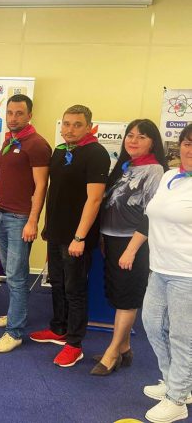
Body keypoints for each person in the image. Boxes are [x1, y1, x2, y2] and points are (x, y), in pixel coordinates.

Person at [30, 105, 110, 367]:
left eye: (77, 124)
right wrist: (48, 227)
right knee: (57, 282)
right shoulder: (60, 150)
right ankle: (59, 328)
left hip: (77, 237)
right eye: (66, 124)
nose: (70, 129)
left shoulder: (96, 153)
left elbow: (94, 199)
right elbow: (55, 192)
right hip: (56, 232)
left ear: (89, 126)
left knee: (75, 289)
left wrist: (79, 237)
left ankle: (74, 344)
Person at [90, 119, 167, 376]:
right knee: (117, 295)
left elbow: (151, 215)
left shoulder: (155, 170)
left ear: (152, 143)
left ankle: (112, 352)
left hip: (133, 243)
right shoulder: (126, 167)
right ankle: (124, 348)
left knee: (127, 299)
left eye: (141, 137)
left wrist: (131, 249)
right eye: (130, 135)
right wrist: (103, 236)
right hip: (112, 241)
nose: (133, 141)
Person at [135, 124, 192, 423]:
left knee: (183, 336)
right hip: (159, 267)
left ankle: (178, 399)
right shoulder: (170, 176)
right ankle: (175, 382)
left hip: (187, 273)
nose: (190, 149)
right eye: (187, 143)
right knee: (153, 325)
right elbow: (151, 218)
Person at [0, 94, 51, 353]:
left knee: (16, 276)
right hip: (3, 214)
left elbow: (41, 186)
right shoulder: (9, 140)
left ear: (30, 115)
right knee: (11, 272)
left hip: (20, 219)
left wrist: (32, 221)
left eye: (19, 113)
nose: (13, 118)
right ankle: (15, 314)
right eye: (10, 112)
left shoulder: (37, 144)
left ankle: (14, 332)